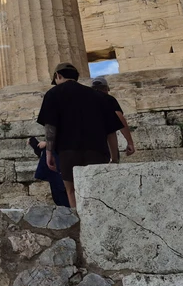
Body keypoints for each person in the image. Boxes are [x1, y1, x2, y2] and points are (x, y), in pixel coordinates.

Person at [36, 63, 116, 210]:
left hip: (68, 150)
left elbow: (50, 127)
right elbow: (111, 129)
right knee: (97, 189)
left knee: (71, 191)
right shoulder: (98, 95)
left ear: (58, 76)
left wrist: (49, 152)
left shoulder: (53, 94)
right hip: (97, 149)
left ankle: (80, 222)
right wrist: (115, 157)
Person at [90, 78, 136, 162]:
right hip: (104, 147)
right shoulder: (108, 99)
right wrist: (130, 142)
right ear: (106, 89)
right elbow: (118, 117)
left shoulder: (85, 101)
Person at [28, 136, 69, 208]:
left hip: (61, 167)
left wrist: (48, 144)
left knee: (64, 194)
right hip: (55, 170)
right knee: (58, 195)